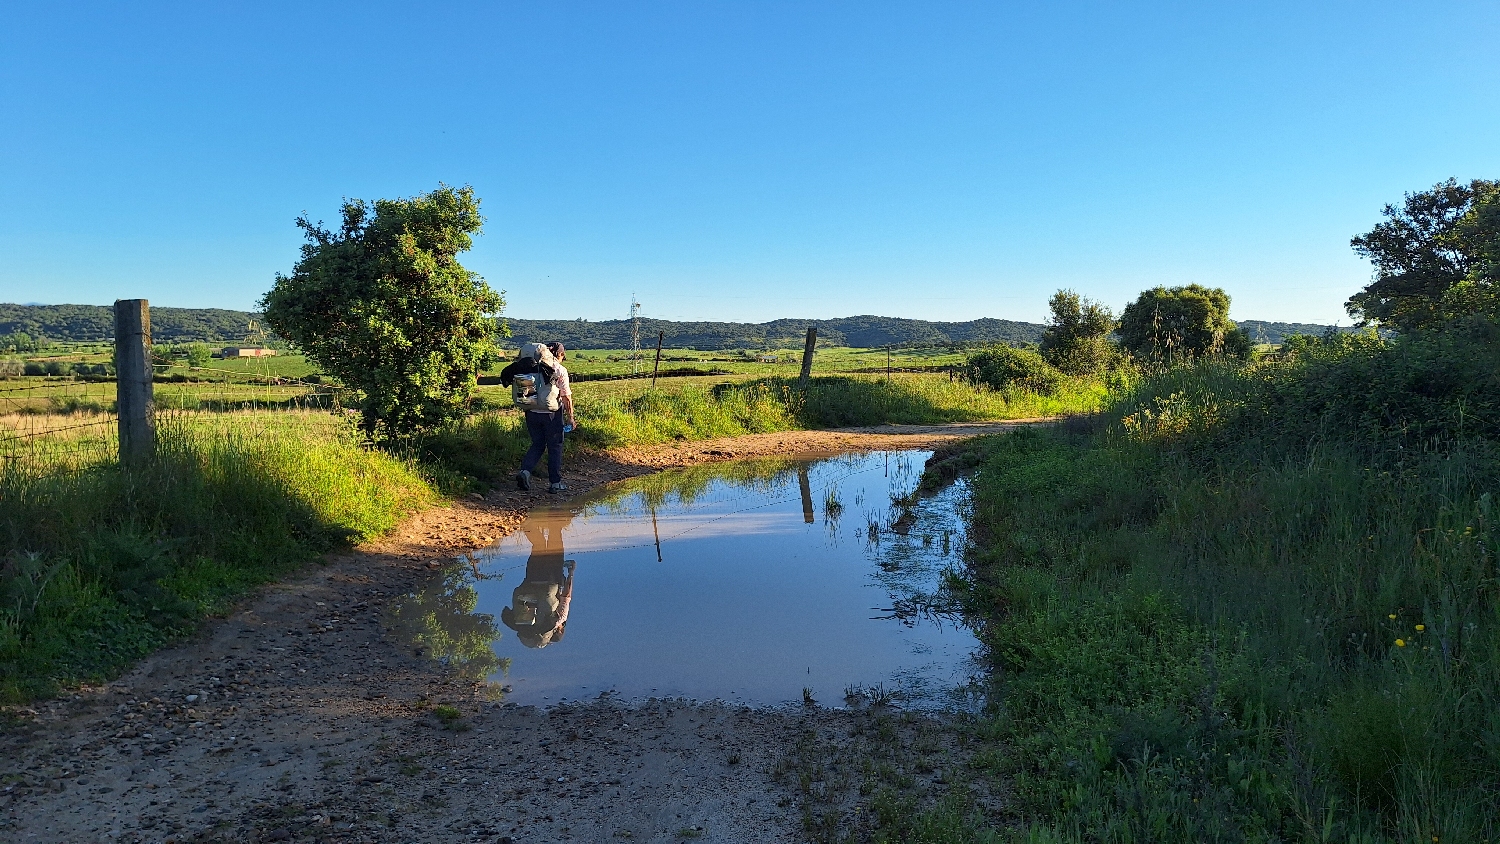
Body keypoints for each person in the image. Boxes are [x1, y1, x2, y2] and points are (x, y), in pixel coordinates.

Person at [499, 510, 576, 648]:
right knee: (538, 545)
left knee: (555, 544)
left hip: (552, 577)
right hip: (531, 578)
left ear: (561, 630)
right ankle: (525, 522)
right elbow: (505, 614)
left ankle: (554, 518)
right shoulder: (523, 627)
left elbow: (566, 596)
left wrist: (571, 573)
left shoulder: (559, 620)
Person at [516, 341, 576, 494]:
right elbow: (566, 397)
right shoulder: (559, 369)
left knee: (537, 444)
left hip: (531, 412)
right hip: (552, 415)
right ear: (560, 354)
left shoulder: (530, 367)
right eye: (563, 355)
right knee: (555, 447)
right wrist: (571, 418)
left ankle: (525, 471)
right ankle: (555, 483)